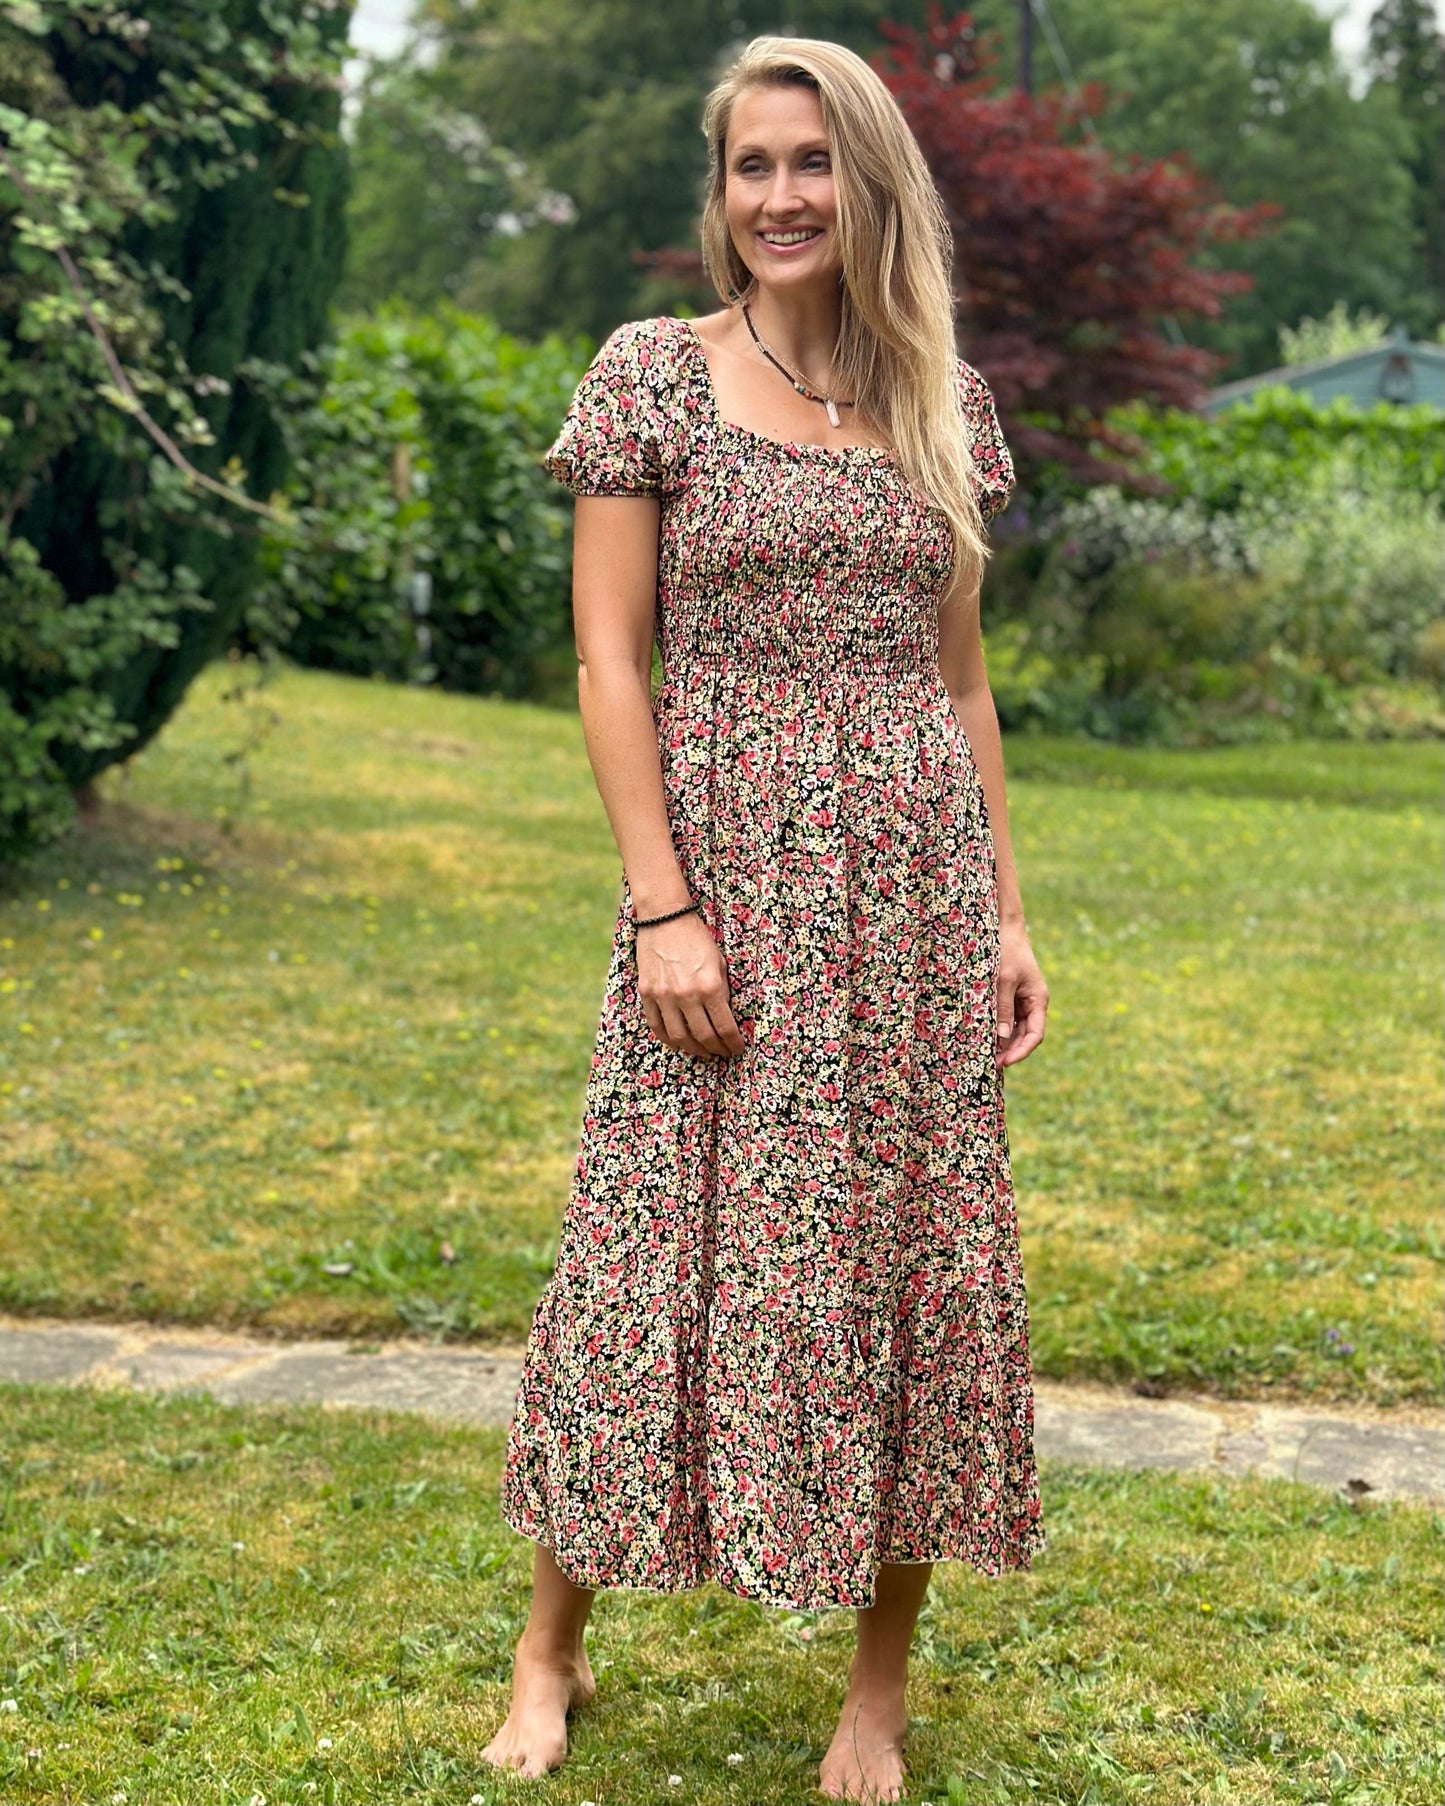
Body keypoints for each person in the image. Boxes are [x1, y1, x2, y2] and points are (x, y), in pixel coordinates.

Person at [483, 33, 1049, 1804]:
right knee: (643, 1252)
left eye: (812, 163)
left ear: (868, 183)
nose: (781, 196)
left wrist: (1006, 916)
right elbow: (608, 659)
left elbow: (961, 687)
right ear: (719, 189)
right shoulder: (651, 374)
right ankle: (549, 1641)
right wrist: (662, 905)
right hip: (720, 881)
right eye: (752, 165)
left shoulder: (941, 401)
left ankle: (874, 1689)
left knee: (911, 1264)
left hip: (911, 905)